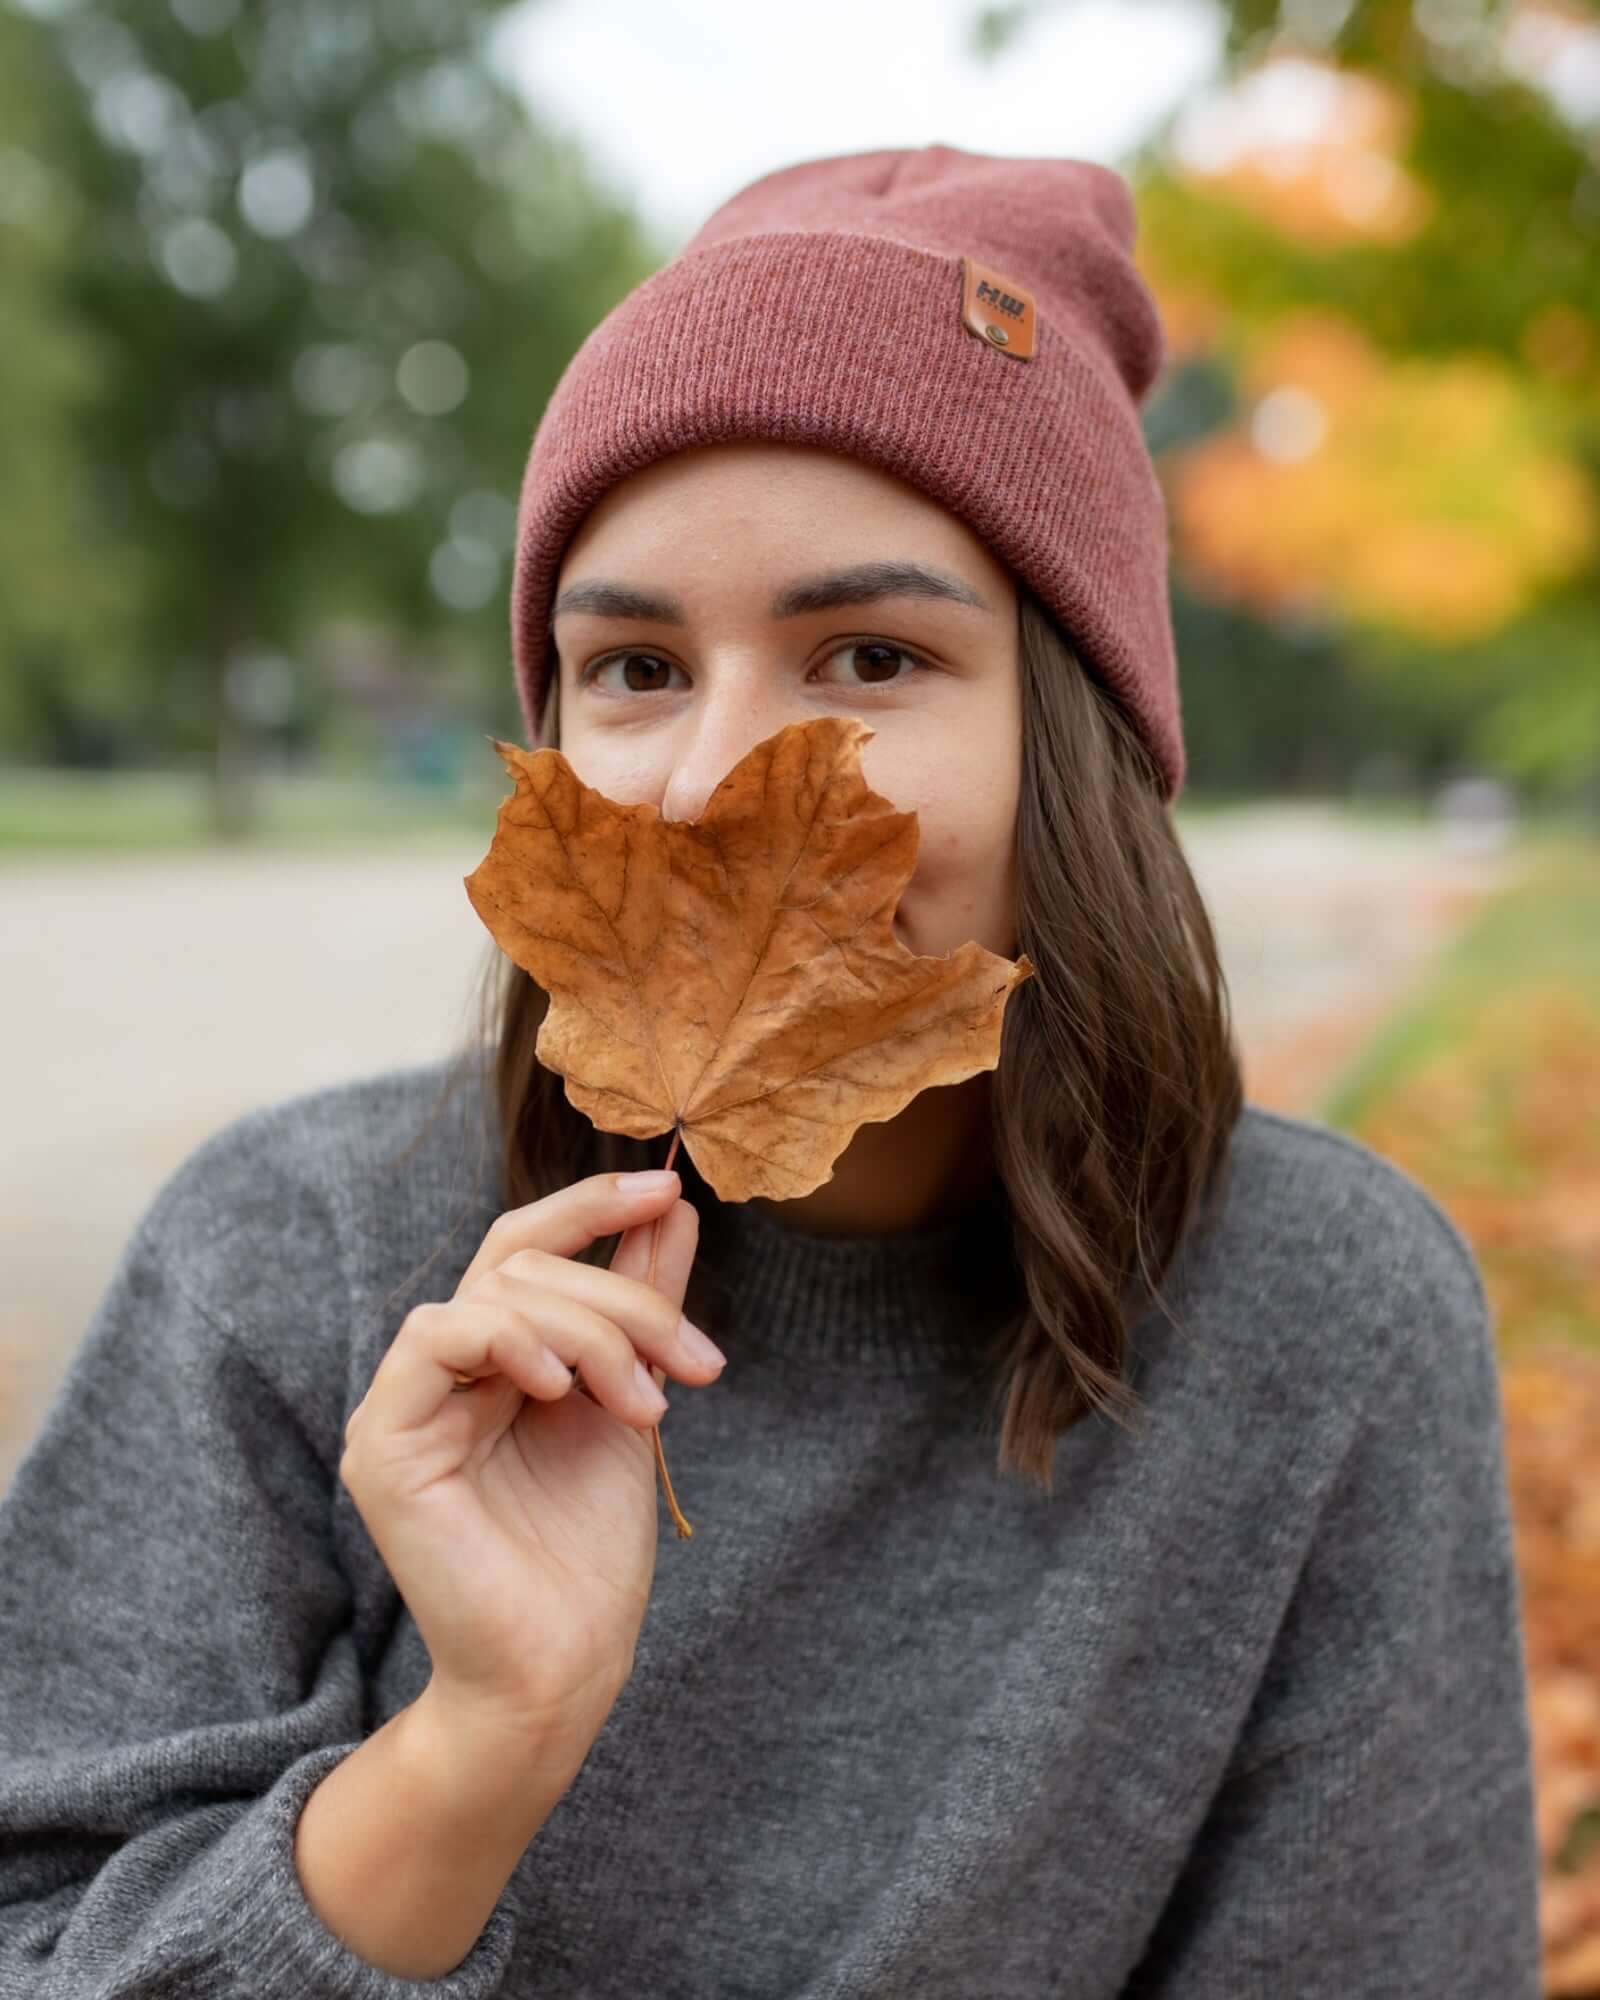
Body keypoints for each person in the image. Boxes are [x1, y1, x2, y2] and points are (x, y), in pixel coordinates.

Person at [0, 144, 1541, 1998]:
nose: (719, 776)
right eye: (634, 664)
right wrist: (480, 1743)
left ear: (1081, 746)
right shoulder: (287, 1254)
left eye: (870, 654)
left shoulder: (1321, 1316)